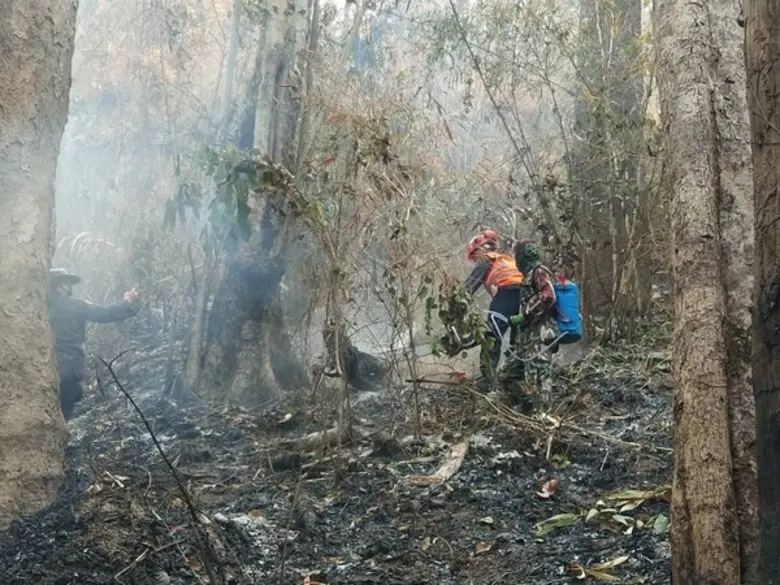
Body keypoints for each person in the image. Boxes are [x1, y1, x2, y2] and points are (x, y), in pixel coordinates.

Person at [48, 268, 141, 420]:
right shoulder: (77, 305)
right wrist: (128, 302)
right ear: (60, 285)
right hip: (70, 369)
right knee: (62, 414)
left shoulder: (38, 308)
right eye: (67, 283)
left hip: (47, 369)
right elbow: (106, 314)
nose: (69, 287)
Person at [462, 229, 525, 389]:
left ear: (481, 250)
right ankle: (516, 376)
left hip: (507, 293)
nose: (476, 260)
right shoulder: (506, 260)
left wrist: (459, 305)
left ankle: (487, 380)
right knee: (517, 338)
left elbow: (468, 288)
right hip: (523, 295)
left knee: (491, 336)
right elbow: (497, 291)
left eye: (475, 255)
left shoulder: (486, 260)